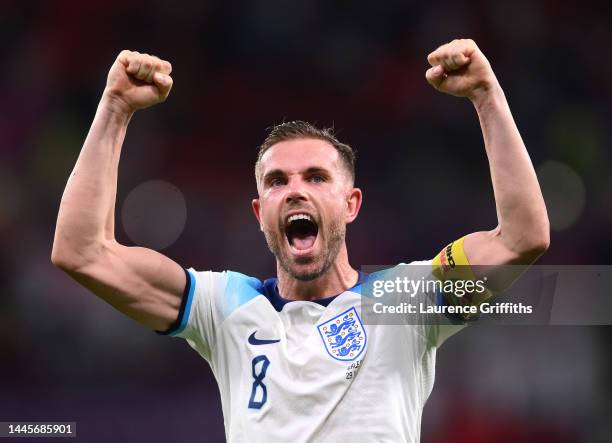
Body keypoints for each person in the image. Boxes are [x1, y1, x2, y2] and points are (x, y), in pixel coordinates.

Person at [51, 39, 549, 442]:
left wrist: (486, 96)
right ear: (259, 211)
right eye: (276, 182)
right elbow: (81, 252)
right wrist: (115, 107)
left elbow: (522, 238)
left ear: (351, 204)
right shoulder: (222, 307)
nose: (294, 191)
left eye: (315, 177)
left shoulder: (405, 301)